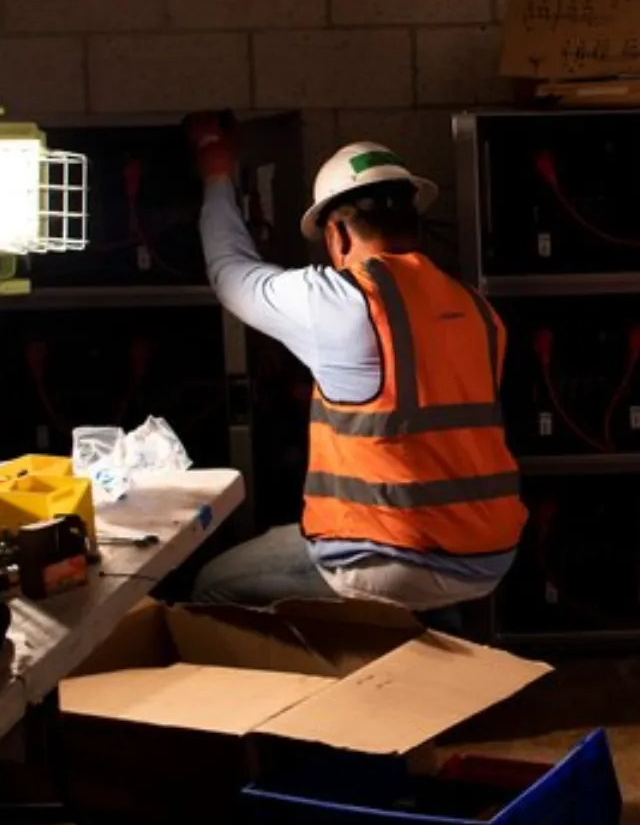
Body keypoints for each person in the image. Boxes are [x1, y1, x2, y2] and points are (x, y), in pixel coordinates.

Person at [184, 127, 525, 617]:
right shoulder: (476, 309)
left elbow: (230, 272)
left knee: (215, 586)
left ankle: (325, 692)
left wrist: (217, 175)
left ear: (336, 234)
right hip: (490, 552)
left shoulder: (344, 301)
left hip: (391, 557)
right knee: (291, 541)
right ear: (415, 223)